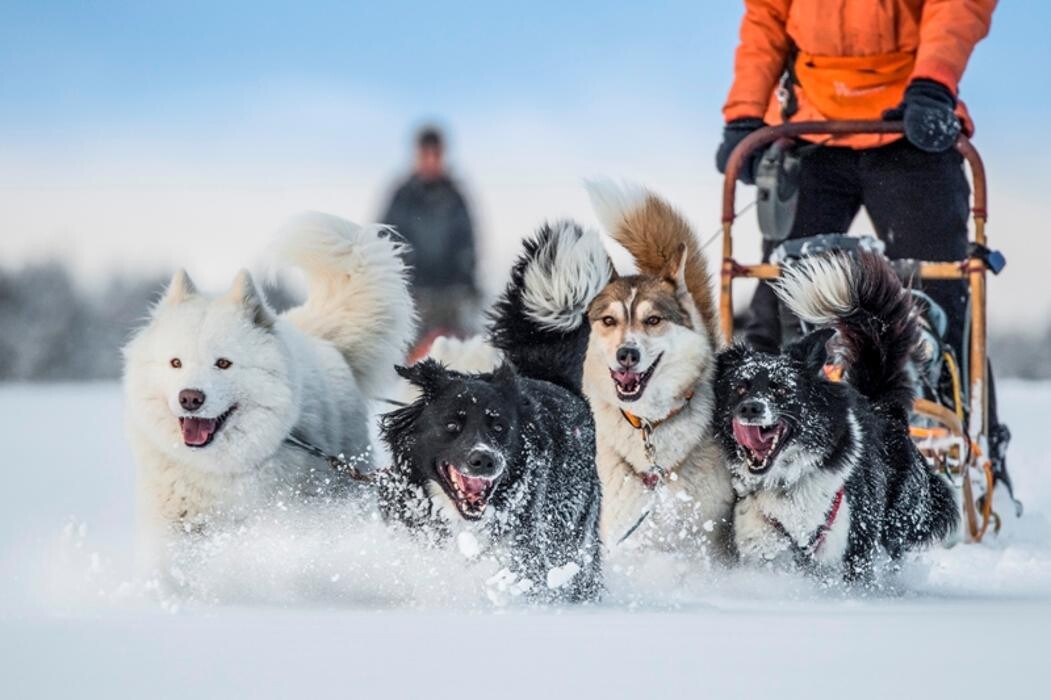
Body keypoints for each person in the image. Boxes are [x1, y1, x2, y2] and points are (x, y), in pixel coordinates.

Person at [715, 0, 1014, 499]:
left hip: (910, 115)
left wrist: (934, 82)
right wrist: (745, 113)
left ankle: (969, 454)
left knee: (942, 295)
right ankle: (752, 455)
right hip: (807, 126)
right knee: (780, 290)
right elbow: (767, 17)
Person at [382, 126, 479, 340]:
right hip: (411, 298)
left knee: (455, 357)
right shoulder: (401, 196)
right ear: (417, 155)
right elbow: (385, 241)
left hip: (450, 300)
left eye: (436, 154)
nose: (431, 161)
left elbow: (467, 244)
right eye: (426, 154)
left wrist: (466, 282)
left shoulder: (455, 197)